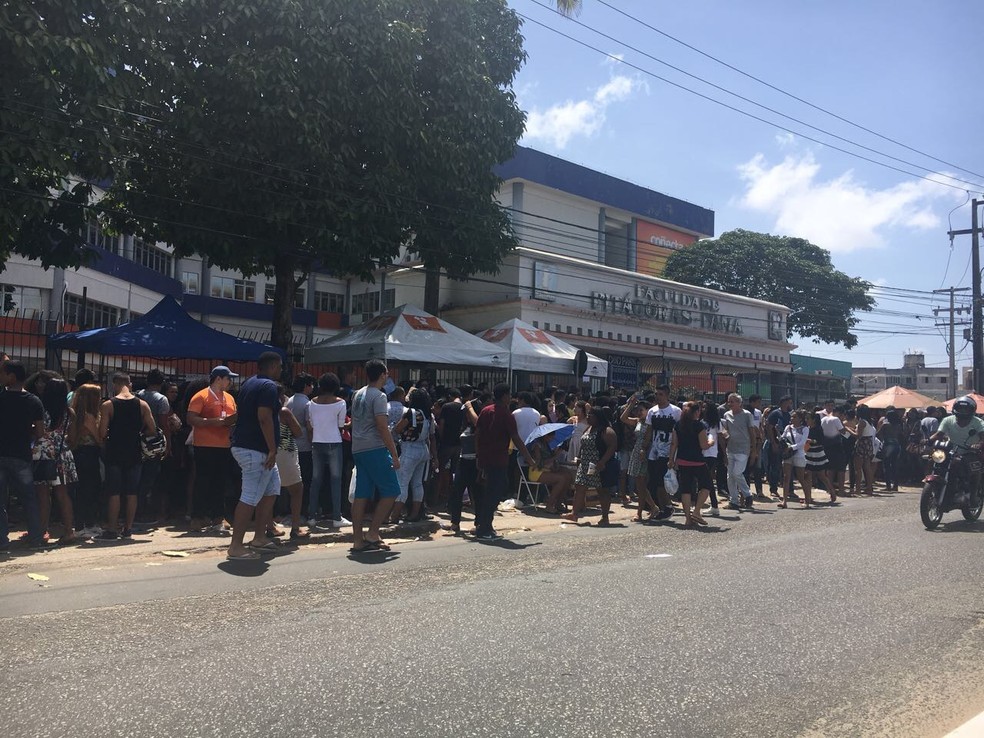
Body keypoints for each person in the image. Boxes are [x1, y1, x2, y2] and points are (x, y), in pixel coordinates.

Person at [227, 352, 284, 561]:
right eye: (279, 366)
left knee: (271, 489)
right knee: (249, 496)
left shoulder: (249, 383)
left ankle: (259, 536)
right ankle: (235, 546)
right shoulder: (268, 386)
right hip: (257, 449)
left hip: (251, 447)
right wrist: (272, 449)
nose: (281, 370)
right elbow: (264, 417)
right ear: (272, 366)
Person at [348, 359, 402, 553]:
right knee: (392, 490)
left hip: (359, 448)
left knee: (361, 493)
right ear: (382, 375)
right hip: (375, 448)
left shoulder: (357, 394)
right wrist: (394, 454)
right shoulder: (379, 396)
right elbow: (382, 426)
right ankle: (372, 532)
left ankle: (358, 540)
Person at [97, 373, 156, 539]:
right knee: (132, 492)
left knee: (114, 492)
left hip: (114, 452)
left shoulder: (108, 405)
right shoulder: (142, 405)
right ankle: (128, 528)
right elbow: (152, 429)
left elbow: (102, 432)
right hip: (134, 452)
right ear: (129, 384)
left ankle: (112, 529)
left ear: (114, 384)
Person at [475, 383, 534, 540]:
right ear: (504, 396)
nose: (511, 397)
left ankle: (484, 524)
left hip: (485, 458)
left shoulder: (486, 411)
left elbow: (478, 434)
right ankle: (484, 528)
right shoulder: (506, 415)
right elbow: (516, 438)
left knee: (489, 491)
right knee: (495, 492)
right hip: (498, 459)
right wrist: (528, 457)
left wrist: (479, 456)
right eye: (509, 395)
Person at [187, 366, 239, 533]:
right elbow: (191, 418)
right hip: (204, 445)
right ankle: (197, 516)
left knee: (220, 483)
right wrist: (213, 422)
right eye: (228, 379)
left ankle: (218, 516)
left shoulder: (230, 398)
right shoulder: (201, 396)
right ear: (218, 379)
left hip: (224, 445)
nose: (230, 382)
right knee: (203, 481)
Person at [0, 360, 46, 549]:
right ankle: (36, 538)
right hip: (21, 455)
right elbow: (41, 432)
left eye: (2, 373)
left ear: (11, 376)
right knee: (29, 499)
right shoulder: (33, 401)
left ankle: (2, 540)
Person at [34, 376, 78, 545]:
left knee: (43, 496)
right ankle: (69, 531)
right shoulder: (69, 412)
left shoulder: (41, 409)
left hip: (44, 455)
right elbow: (72, 438)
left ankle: (42, 532)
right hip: (63, 454)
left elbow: (38, 432)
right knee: (63, 494)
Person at [307, 372, 349, 528]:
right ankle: (337, 517)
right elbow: (340, 426)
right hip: (334, 442)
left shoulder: (311, 403)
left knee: (316, 480)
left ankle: (311, 517)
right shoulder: (341, 403)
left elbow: (310, 424)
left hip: (317, 442)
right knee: (336, 480)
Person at [391, 387, 439, 524]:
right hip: (424, 450)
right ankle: (414, 514)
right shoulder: (429, 416)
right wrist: (435, 457)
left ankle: (395, 515)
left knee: (402, 482)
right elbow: (432, 437)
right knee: (417, 484)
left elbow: (398, 429)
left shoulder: (410, 413)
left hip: (409, 449)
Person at [564, 406, 618, 525]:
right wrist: (578, 457)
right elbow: (583, 444)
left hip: (598, 465)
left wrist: (602, 462)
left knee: (602, 490)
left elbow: (612, 447)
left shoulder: (606, 431)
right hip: (584, 464)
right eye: (587, 414)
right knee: (579, 487)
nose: (588, 417)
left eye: (591, 415)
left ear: (598, 417)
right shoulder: (588, 429)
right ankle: (574, 513)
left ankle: (605, 517)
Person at [668, 401, 714, 527]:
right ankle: (697, 511)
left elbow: (674, 444)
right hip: (697, 461)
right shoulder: (699, 426)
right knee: (706, 485)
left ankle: (688, 518)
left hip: (682, 460)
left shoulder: (678, 425)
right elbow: (704, 445)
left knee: (686, 489)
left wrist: (671, 459)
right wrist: (711, 441)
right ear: (696, 412)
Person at [640, 385, 680, 522]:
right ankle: (662, 507)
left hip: (668, 450)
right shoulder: (652, 411)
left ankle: (667, 506)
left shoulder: (675, 411)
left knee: (662, 482)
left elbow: (679, 432)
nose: (658, 397)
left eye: (661, 394)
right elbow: (649, 430)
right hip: (655, 450)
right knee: (654, 482)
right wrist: (644, 447)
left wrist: (675, 455)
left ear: (667, 395)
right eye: (656, 394)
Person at [275, 383, 308, 541]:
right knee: (296, 490)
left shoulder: (262, 412)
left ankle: (269, 526)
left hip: (270, 453)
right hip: (285, 452)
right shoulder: (283, 412)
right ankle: (295, 528)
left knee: (268, 493)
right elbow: (298, 431)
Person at [70, 383, 103, 538]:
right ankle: (83, 524)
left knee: (81, 490)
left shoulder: (75, 414)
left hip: (78, 453)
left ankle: (83, 523)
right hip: (89, 454)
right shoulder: (89, 417)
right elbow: (97, 438)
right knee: (89, 490)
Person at [137, 368, 170, 523]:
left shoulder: (137, 395)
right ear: (161, 383)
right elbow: (164, 424)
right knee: (150, 478)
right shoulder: (161, 399)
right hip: (154, 443)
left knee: (137, 477)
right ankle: (144, 512)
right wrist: (168, 445)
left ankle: (135, 510)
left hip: (137, 441)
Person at [620, 395, 656, 521]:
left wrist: (643, 450)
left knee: (641, 484)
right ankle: (652, 507)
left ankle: (641, 511)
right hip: (636, 451)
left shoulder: (649, 423)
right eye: (638, 410)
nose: (639, 412)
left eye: (642, 410)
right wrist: (630, 404)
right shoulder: (637, 421)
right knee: (639, 484)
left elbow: (647, 439)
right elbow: (623, 418)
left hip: (643, 453)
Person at [284, 373, 315, 518]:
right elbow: (309, 427)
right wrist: (312, 442)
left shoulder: (289, 401)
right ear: (306, 386)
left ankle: (288, 511)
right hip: (304, 444)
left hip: (289, 443)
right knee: (305, 480)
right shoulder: (307, 404)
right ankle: (303, 510)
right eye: (310, 384)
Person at [722, 393, 756, 512]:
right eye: (729, 401)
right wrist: (725, 433)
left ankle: (747, 494)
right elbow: (724, 429)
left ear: (739, 403)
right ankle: (734, 501)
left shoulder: (747, 415)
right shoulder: (727, 415)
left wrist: (754, 450)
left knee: (737, 473)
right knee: (730, 476)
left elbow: (752, 432)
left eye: (732, 401)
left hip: (743, 448)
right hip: (731, 448)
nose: (730, 404)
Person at [779, 409, 812, 508]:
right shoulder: (788, 427)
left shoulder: (804, 429)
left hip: (799, 454)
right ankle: (784, 501)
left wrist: (791, 447)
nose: (792, 418)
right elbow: (783, 438)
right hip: (788, 455)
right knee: (786, 477)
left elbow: (802, 443)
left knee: (801, 478)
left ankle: (807, 500)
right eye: (792, 417)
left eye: (795, 417)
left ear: (800, 419)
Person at [765, 396, 794, 501]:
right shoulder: (775, 413)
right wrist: (773, 443)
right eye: (788, 402)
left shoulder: (790, 414)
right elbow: (769, 427)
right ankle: (773, 489)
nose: (789, 404)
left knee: (788, 467)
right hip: (777, 442)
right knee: (775, 466)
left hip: (786, 444)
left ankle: (790, 490)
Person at [853, 405, 877, 496]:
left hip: (862, 443)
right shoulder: (869, 422)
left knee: (858, 468)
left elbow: (857, 435)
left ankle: (858, 489)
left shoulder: (862, 422)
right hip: (868, 443)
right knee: (867, 467)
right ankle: (869, 488)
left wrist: (847, 429)